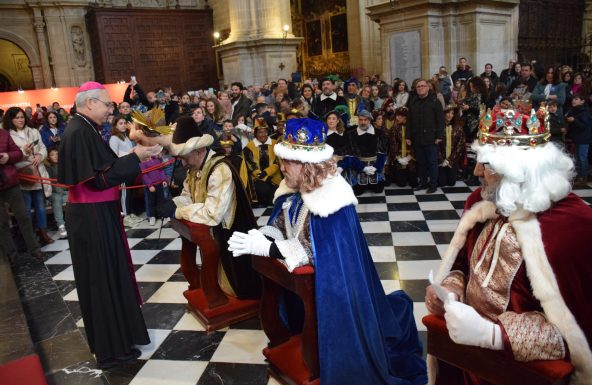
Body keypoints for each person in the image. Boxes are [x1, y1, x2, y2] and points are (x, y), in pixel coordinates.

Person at [227, 117, 427, 385]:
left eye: (288, 161)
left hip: (337, 297)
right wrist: (261, 235)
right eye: (282, 159)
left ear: (308, 165)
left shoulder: (333, 200)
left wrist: (267, 248)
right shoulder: (293, 189)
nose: (281, 167)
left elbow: (316, 252)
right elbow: (282, 225)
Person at [425, 104, 592, 385]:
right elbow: (463, 265)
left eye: (488, 165)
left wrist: (493, 335)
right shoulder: (482, 203)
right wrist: (450, 291)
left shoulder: (573, 227)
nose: (477, 171)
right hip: (469, 361)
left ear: (520, 170)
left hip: (521, 373)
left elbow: (577, 330)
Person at [58, 81, 160, 369]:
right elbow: (101, 179)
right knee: (102, 282)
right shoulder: (80, 131)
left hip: (97, 215)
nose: (110, 109)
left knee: (109, 278)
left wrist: (137, 158)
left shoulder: (84, 128)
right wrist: (135, 157)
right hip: (92, 219)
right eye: (107, 104)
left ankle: (119, 340)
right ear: (90, 103)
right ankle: (111, 351)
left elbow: (104, 169)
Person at [161, 116, 260, 300]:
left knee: (236, 288)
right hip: (214, 235)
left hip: (231, 239)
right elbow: (187, 196)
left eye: (185, 157)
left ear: (198, 150)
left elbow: (211, 214)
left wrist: (177, 211)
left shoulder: (219, 169)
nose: (183, 164)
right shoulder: (194, 169)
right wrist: (174, 203)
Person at [5, 107, 54, 245]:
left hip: (38, 171)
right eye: (17, 117)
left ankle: (43, 233)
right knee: (25, 209)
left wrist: (40, 155)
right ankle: (29, 237)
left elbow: (43, 147)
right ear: (11, 119)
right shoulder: (7, 134)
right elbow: (11, 155)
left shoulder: (33, 131)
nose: (20, 120)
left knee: (40, 205)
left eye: (22, 117)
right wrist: (24, 151)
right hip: (22, 174)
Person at [0, 125, 44, 262]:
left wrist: (8, 156)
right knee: (1, 222)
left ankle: (34, 249)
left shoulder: (3, 134)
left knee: (23, 216)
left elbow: (18, 154)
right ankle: (11, 253)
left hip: (10, 181)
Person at [406, 79, 445, 194]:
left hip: (431, 138)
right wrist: (408, 136)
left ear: (428, 88)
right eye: (418, 86)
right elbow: (409, 121)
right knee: (421, 162)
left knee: (432, 163)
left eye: (423, 86)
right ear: (416, 89)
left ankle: (433, 185)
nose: (421, 88)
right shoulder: (413, 102)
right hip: (417, 137)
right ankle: (422, 183)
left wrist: (439, 136)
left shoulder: (435, 101)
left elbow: (440, 120)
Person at [343, 109, 388, 195]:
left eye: (365, 120)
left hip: (375, 167)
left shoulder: (380, 133)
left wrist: (376, 167)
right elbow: (350, 154)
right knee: (357, 192)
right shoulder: (350, 134)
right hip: (358, 168)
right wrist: (363, 168)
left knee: (378, 190)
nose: (363, 122)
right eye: (360, 120)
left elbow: (383, 153)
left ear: (370, 120)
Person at [240, 118, 282, 206]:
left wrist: (267, 172)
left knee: (275, 196)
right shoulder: (249, 146)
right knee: (263, 189)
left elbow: (277, 162)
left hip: (274, 177)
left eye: (265, 132)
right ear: (255, 134)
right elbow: (250, 164)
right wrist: (261, 175)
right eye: (260, 132)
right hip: (257, 178)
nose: (263, 135)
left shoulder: (275, 144)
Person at [565, 93, 592, 188]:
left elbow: (583, 126)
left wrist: (574, 120)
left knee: (582, 157)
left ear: (582, 101)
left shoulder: (584, 112)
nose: (573, 101)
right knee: (578, 157)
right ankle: (579, 175)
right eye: (573, 99)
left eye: (576, 99)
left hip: (584, 138)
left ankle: (583, 177)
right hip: (577, 138)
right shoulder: (573, 110)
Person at [387, 107, 418, 188]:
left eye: (400, 116)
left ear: (405, 117)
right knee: (401, 183)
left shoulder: (413, 127)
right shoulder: (394, 128)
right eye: (396, 115)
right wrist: (398, 158)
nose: (397, 118)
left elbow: (416, 144)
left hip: (411, 158)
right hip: (399, 158)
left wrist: (409, 157)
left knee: (413, 183)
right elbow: (393, 144)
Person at [437, 104, 465, 186]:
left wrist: (450, 160)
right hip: (440, 160)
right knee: (441, 183)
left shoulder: (458, 128)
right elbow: (435, 145)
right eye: (448, 113)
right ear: (444, 114)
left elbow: (460, 145)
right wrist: (441, 159)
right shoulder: (438, 127)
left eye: (452, 113)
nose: (450, 115)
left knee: (451, 183)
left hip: (453, 160)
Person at [45, 148, 68, 238]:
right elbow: (50, 184)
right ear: (48, 157)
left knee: (72, 197)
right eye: (52, 154)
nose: (56, 156)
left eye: (57, 154)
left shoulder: (64, 165)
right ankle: (61, 225)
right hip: (53, 193)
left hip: (65, 192)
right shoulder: (48, 168)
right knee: (57, 199)